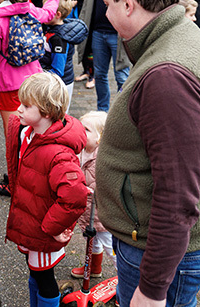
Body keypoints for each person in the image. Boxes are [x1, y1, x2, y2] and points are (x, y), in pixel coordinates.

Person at [95, 0, 200, 306]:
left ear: (127, 3)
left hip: (158, 253)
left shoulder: (168, 75)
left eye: (106, 3)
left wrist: (152, 290)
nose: (105, 12)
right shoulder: (176, 37)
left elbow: (177, 196)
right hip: (156, 245)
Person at [5, 72, 89, 307]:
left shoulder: (58, 154)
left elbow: (75, 198)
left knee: (44, 277)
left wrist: (52, 227)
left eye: (26, 106)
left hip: (43, 228)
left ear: (46, 111)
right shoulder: (28, 132)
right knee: (35, 271)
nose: (19, 109)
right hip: (32, 220)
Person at [0, 0, 60, 139]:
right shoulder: (29, 9)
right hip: (33, 79)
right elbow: (48, 14)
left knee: (13, 135)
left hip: (7, 84)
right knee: (33, 132)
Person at [77, 0, 131, 112]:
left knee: (122, 76)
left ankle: (123, 115)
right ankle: (103, 112)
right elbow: (88, 0)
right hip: (98, 31)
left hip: (119, 32)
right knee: (99, 74)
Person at [70, 111, 116, 279]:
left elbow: (108, 183)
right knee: (91, 241)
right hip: (87, 209)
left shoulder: (103, 159)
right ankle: (93, 268)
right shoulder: (80, 150)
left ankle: (127, 281)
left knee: (111, 247)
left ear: (100, 138)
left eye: (87, 130)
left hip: (101, 214)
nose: (81, 132)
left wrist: (88, 188)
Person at [39, 0, 88, 112]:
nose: (44, 12)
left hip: (61, 84)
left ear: (57, 14)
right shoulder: (53, 29)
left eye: (48, 10)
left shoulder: (58, 39)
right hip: (59, 81)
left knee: (58, 116)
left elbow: (58, 70)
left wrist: (37, 73)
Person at [74, 0, 95, 89]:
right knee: (83, 49)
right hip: (81, 24)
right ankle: (85, 71)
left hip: (92, 25)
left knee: (91, 51)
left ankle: (92, 75)